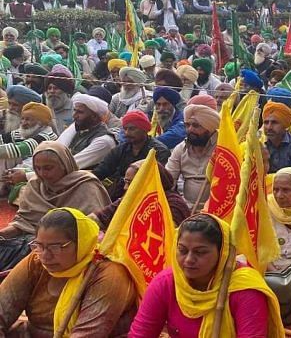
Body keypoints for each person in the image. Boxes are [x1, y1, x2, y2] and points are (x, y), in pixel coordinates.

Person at [129, 213, 284, 338]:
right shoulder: (167, 282)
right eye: (182, 250)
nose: (189, 260)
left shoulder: (245, 290)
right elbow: (141, 333)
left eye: (200, 252)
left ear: (222, 253)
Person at [0, 208, 137, 336]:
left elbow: (88, 334)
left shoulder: (108, 274)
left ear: (82, 243)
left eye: (56, 247)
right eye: (39, 245)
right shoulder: (36, 260)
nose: (45, 256)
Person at [0, 142, 111, 271]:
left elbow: (91, 232)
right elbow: (23, 222)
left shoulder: (86, 185)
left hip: (65, 250)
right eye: (37, 168)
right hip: (32, 243)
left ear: (65, 165)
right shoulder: (35, 185)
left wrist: (44, 245)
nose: (42, 173)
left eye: (48, 168)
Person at [90, 159, 190, 231]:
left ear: (148, 182)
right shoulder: (129, 199)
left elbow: (163, 235)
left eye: (131, 183)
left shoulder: (173, 204)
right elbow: (99, 218)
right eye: (125, 182)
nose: (125, 188)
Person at [91, 110, 171, 192]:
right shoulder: (120, 149)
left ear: (144, 129)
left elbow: (159, 180)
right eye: (125, 129)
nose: (127, 133)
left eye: (132, 129)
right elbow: (101, 171)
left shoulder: (160, 151)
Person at [166, 104, 219, 206]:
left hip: (216, 210)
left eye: (196, 126)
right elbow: (168, 181)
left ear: (209, 128)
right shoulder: (180, 149)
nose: (190, 129)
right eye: (187, 125)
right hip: (186, 209)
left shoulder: (222, 149)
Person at [57, 94, 117, 169]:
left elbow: (70, 166)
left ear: (94, 116)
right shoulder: (78, 127)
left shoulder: (104, 141)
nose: (74, 116)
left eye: (80, 112)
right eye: (75, 110)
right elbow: (56, 148)